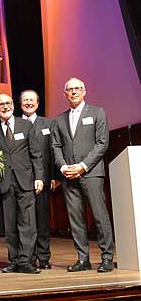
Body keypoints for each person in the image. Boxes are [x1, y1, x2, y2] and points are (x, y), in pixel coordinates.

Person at [51, 77, 114, 272]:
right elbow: (55, 146)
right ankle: (83, 259)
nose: (74, 92)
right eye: (70, 89)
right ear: (65, 94)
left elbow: (102, 143)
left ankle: (107, 258)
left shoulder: (97, 112)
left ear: (84, 91)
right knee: (75, 219)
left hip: (91, 173)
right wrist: (63, 167)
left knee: (99, 216)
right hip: (69, 176)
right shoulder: (59, 119)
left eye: (78, 88)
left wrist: (83, 165)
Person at [0, 94, 44, 274]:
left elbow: (36, 153)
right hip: (5, 182)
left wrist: (39, 177)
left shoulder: (26, 125)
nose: (5, 107)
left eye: (8, 103)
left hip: (26, 180)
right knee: (10, 225)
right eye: (0, 104)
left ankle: (26, 261)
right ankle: (14, 260)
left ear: (13, 105)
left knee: (27, 223)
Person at [20, 90, 59, 270]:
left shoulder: (49, 123)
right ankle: (27, 256)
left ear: (37, 102)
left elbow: (54, 152)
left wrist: (52, 176)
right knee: (25, 222)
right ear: (20, 103)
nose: (28, 103)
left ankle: (43, 257)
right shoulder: (16, 123)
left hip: (42, 179)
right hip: (21, 180)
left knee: (42, 220)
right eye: (25, 100)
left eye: (32, 100)